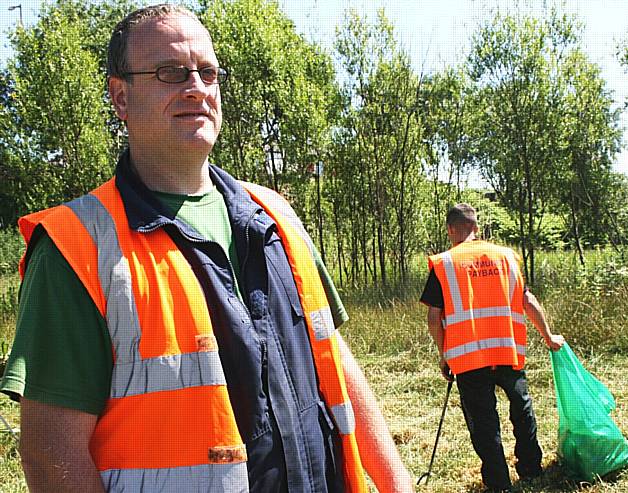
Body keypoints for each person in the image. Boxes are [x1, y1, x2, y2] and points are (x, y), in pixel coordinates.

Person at [0, 5, 414, 492]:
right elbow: (53, 452)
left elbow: (334, 360)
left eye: (208, 72)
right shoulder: (76, 245)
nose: (196, 87)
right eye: (170, 72)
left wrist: (398, 483)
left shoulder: (273, 214)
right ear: (120, 98)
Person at [420, 203, 564, 493]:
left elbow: (434, 318)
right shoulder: (506, 257)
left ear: (450, 230)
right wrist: (548, 336)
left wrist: (445, 354)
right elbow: (527, 300)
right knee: (522, 409)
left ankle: (498, 482)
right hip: (506, 350)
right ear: (476, 227)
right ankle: (530, 468)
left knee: (483, 421)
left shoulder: (444, 263)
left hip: (468, 358)